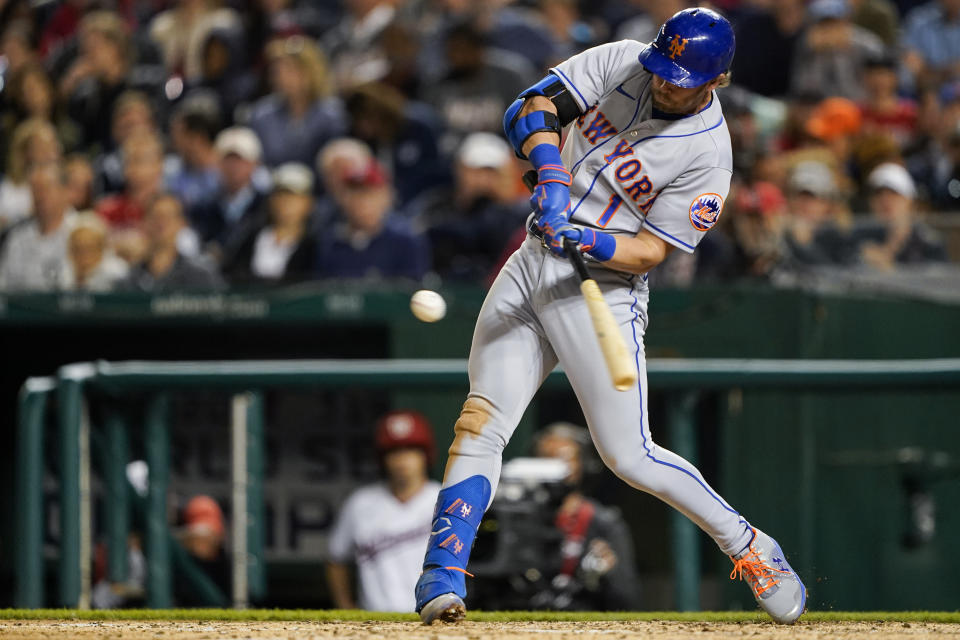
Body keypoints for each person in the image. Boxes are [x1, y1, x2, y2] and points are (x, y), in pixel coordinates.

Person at [413, 8, 806, 627]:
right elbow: (530, 107)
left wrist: (590, 240)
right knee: (480, 420)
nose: (665, 82)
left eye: (682, 77)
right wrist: (549, 173)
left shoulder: (709, 155)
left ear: (716, 79)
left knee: (630, 455)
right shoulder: (624, 61)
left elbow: (653, 251)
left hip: (603, 287)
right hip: (532, 259)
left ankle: (749, 545)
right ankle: (442, 571)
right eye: (664, 68)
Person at [326, 410, 441, 612]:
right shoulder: (360, 503)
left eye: (410, 450)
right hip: (374, 620)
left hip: (432, 616)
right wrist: (345, 607)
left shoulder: (443, 498)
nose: (402, 459)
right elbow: (336, 560)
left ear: (425, 454)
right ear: (383, 458)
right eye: (394, 451)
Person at [530, 422, 640, 611]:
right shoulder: (521, 518)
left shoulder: (605, 522)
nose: (556, 468)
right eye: (546, 460)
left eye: (564, 459)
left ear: (584, 465)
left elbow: (627, 600)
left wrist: (608, 574)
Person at [220, 163, 320, 284]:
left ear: (308, 203)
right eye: (280, 195)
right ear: (271, 200)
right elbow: (229, 275)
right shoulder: (250, 237)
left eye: (293, 196)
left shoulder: (315, 247)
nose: (286, 203)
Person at [0, 161, 77, 291]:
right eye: (34, 190)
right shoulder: (17, 238)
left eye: (45, 189)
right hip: (24, 309)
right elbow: (5, 285)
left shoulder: (81, 232)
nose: (39, 196)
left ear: (64, 191)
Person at [123, 193, 223, 291]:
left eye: (168, 217)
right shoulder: (132, 277)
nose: (161, 223)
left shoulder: (200, 275)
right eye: (155, 216)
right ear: (144, 222)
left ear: (182, 223)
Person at [855, 162, 948, 268]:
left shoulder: (930, 244)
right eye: (878, 194)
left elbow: (935, 282)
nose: (885, 200)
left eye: (894, 193)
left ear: (910, 201)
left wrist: (889, 270)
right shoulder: (860, 241)